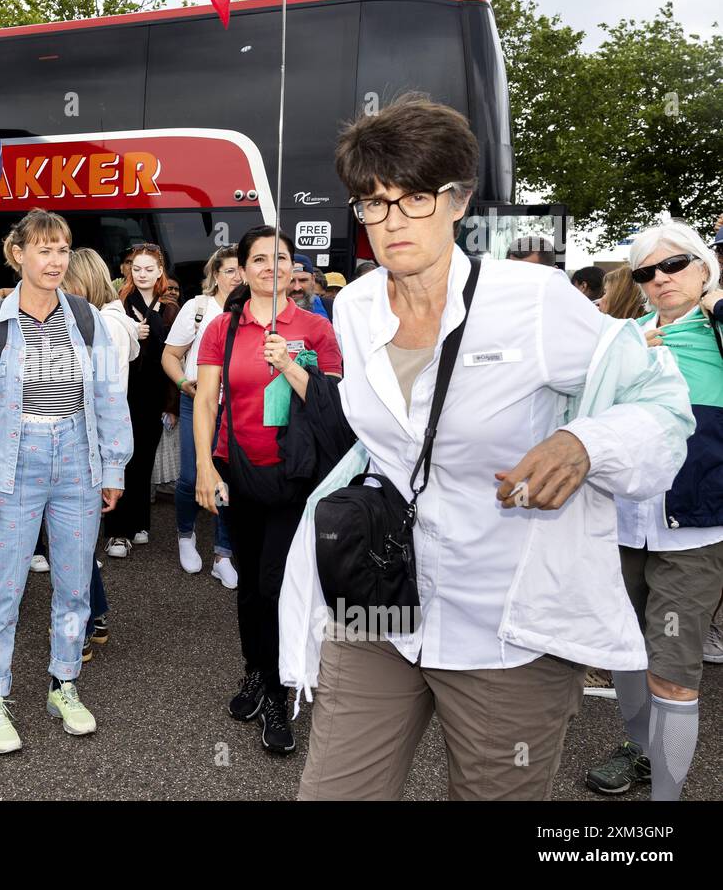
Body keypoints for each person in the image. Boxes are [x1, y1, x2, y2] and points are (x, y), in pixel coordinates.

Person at [282, 93, 691, 800]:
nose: (391, 221)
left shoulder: (532, 301)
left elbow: (662, 405)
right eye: (372, 203)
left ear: (459, 200)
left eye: (413, 198)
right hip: (380, 599)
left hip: (506, 619)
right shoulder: (352, 307)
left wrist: (584, 441)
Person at [0, 208, 132, 755]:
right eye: (44, 249)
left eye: (62, 249)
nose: (55, 260)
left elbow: (107, 394)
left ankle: (64, 683)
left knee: (75, 586)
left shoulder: (86, 317)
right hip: (14, 461)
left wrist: (113, 465)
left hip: (77, 458)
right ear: (18, 254)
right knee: (3, 589)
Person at [585, 221, 723, 801]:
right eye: (647, 271)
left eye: (676, 264)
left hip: (693, 531)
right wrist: (622, 360)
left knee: (672, 672)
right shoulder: (625, 334)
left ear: (703, 266)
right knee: (624, 649)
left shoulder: (716, 330)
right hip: (623, 522)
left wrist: (718, 304)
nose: (661, 278)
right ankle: (642, 754)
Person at [193, 226, 343, 755]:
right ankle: (256, 671)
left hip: (296, 474)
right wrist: (207, 470)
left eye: (279, 257)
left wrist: (289, 364)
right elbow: (206, 401)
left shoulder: (314, 327)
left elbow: (332, 407)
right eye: (259, 259)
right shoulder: (222, 330)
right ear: (242, 268)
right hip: (239, 470)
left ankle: (280, 693)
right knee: (252, 586)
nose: (270, 267)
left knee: (277, 582)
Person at [62, 246, 138, 659]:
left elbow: (102, 392)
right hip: (98, 441)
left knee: (72, 545)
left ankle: (87, 625)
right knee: (78, 543)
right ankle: (97, 616)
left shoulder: (100, 324)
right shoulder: (114, 321)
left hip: (88, 441)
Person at [162, 247, 240, 587]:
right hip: (197, 401)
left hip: (237, 406)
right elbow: (170, 355)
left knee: (227, 478)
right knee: (192, 475)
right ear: (216, 275)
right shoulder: (198, 309)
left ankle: (223, 555)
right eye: (230, 270)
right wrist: (183, 383)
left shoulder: (254, 310)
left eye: (242, 270)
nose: (237, 277)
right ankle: (185, 535)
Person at [103, 242, 177, 558]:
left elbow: (177, 356)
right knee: (122, 460)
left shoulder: (172, 307)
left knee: (145, 459)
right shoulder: (118, 305)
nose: (142, 274)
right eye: (137, 269)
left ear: (160, 271)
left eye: (149, 268)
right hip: (124, 392)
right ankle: (117, 533)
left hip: (156, 394)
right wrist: (133, 332)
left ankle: (139, 524)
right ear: (129, 272)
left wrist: (172, 405)